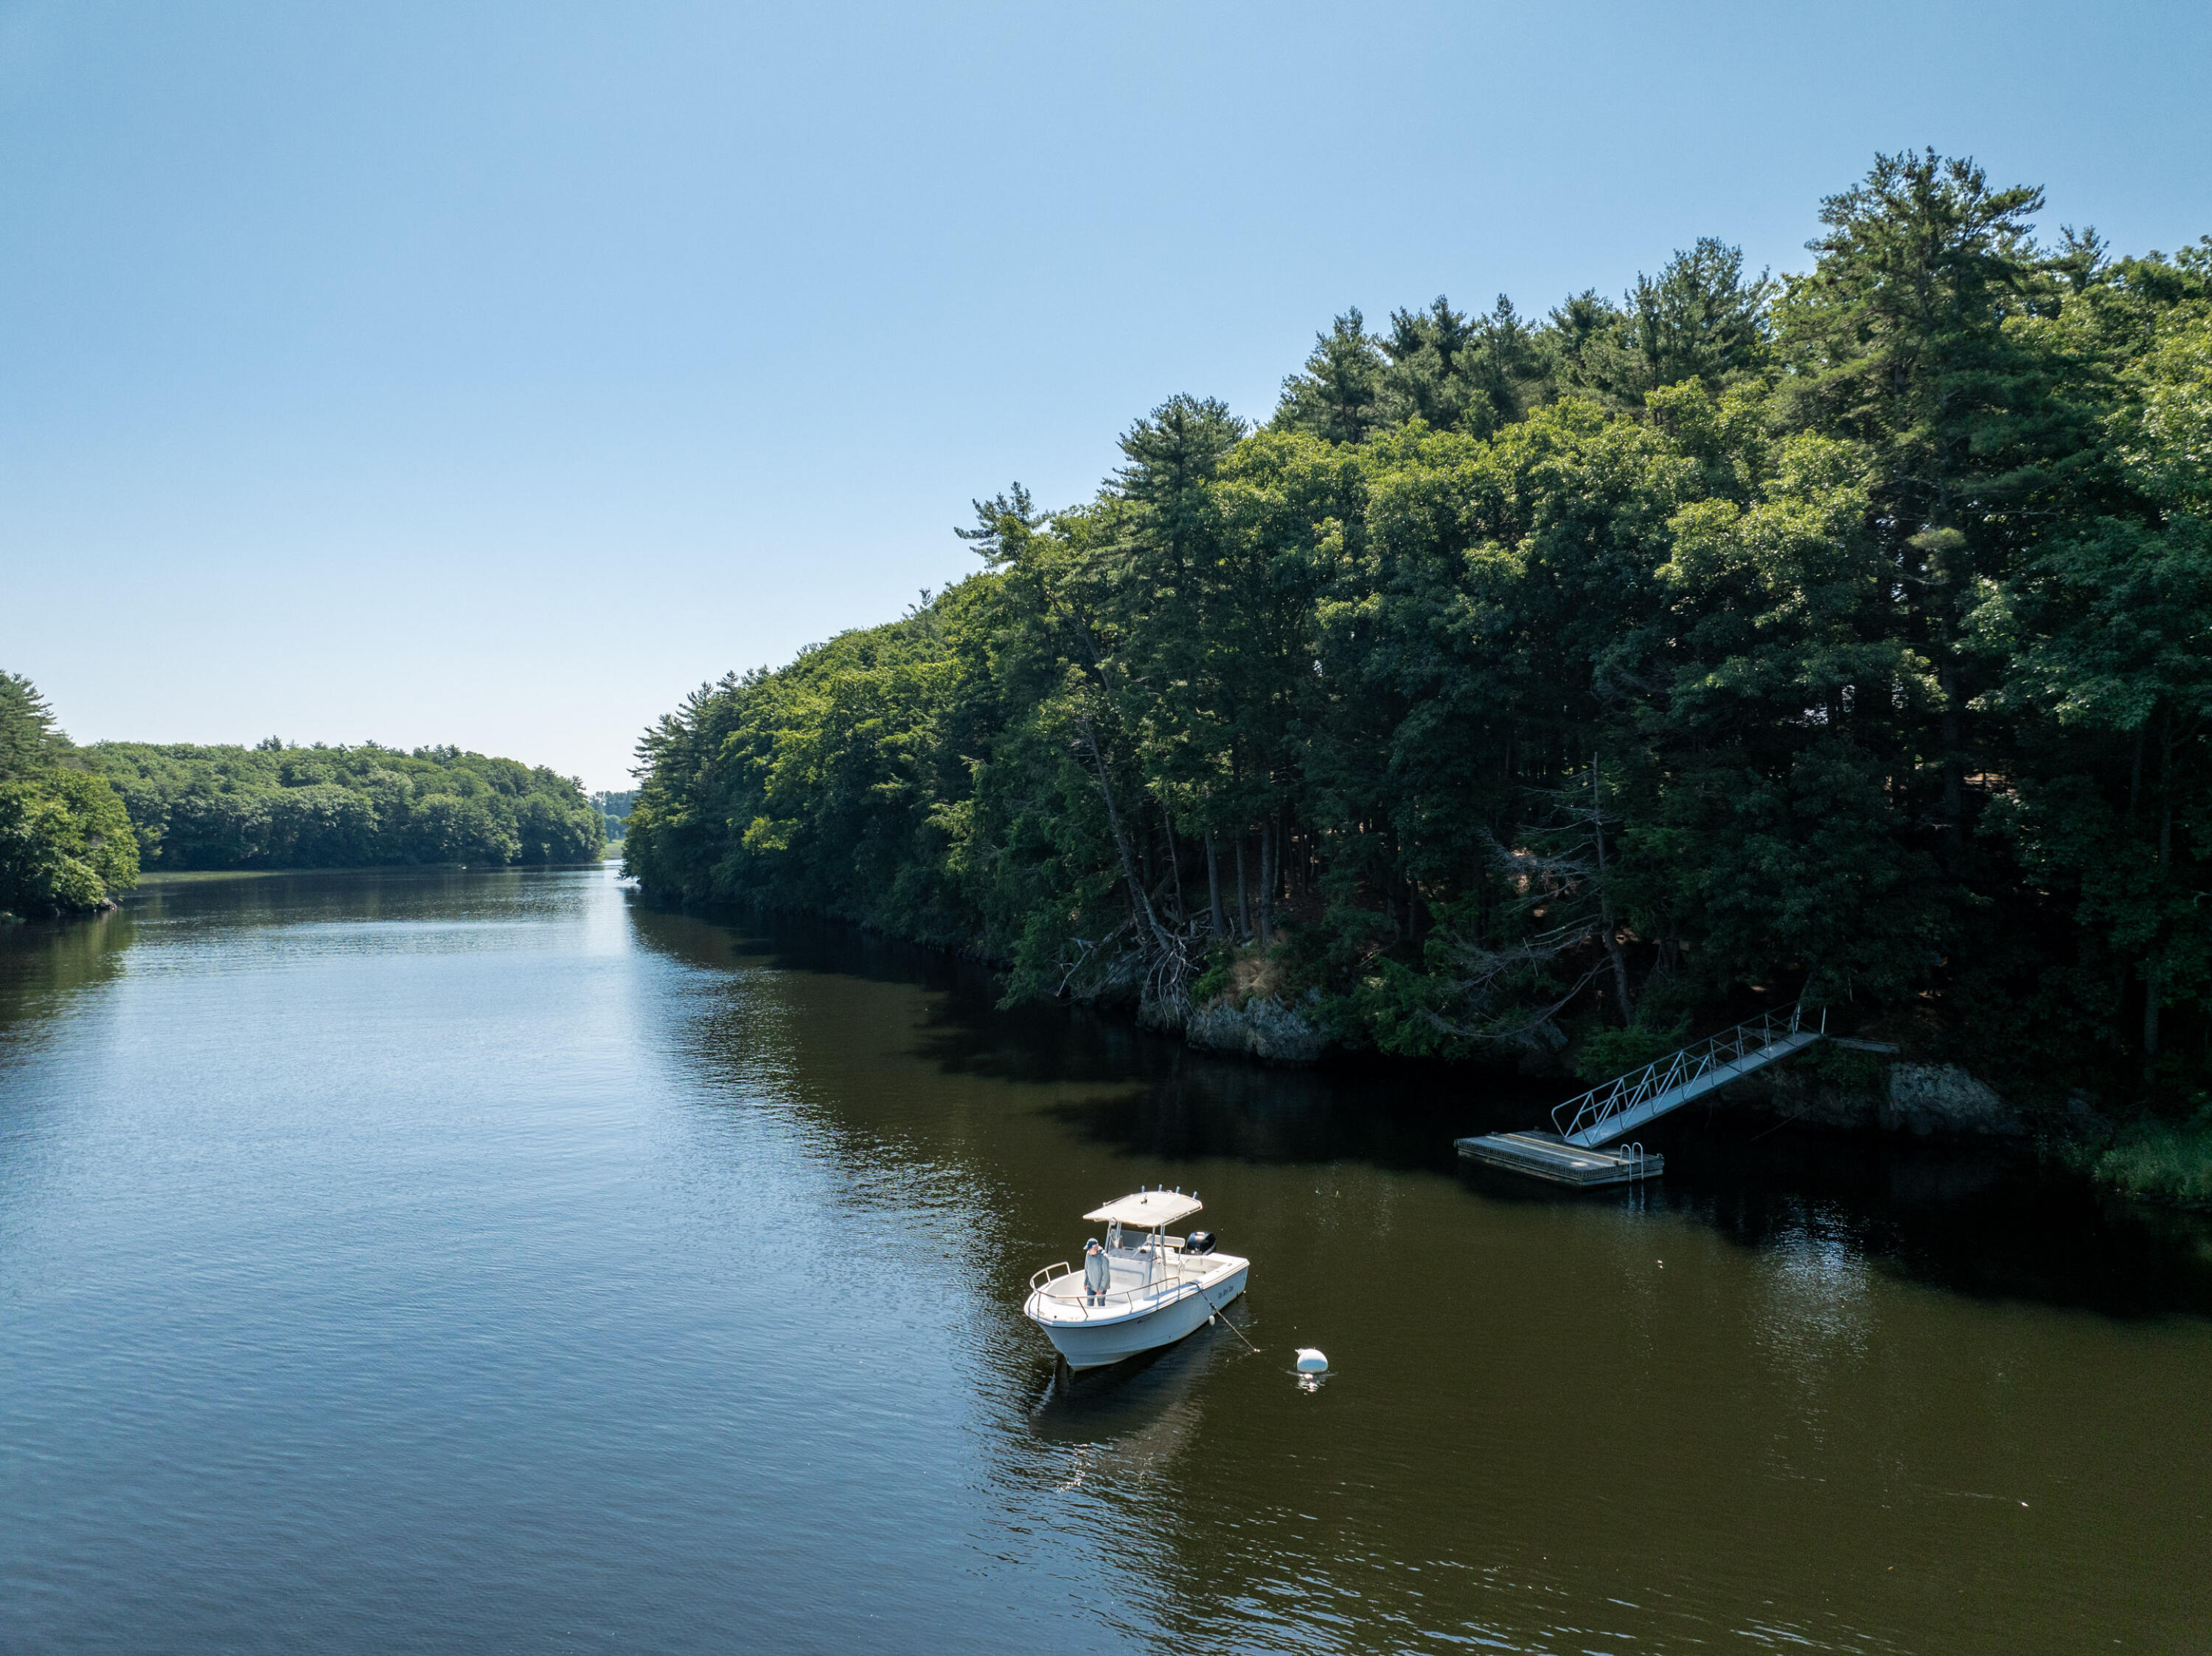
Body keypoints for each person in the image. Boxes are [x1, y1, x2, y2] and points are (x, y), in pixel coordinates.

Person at [1082, 1237, 1110, 1306]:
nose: (1088, 1250)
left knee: (1101, 1304)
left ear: (1095, 1248)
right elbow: (1086, 1269)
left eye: (1090, 1249)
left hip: (1102, 1287)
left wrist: (1100, 1289)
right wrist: (1085, 1283)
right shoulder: (1088, 1254)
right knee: (1089, 1304)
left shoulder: (1104, 1257)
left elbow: (1106, 1275)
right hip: (1090, 1285)